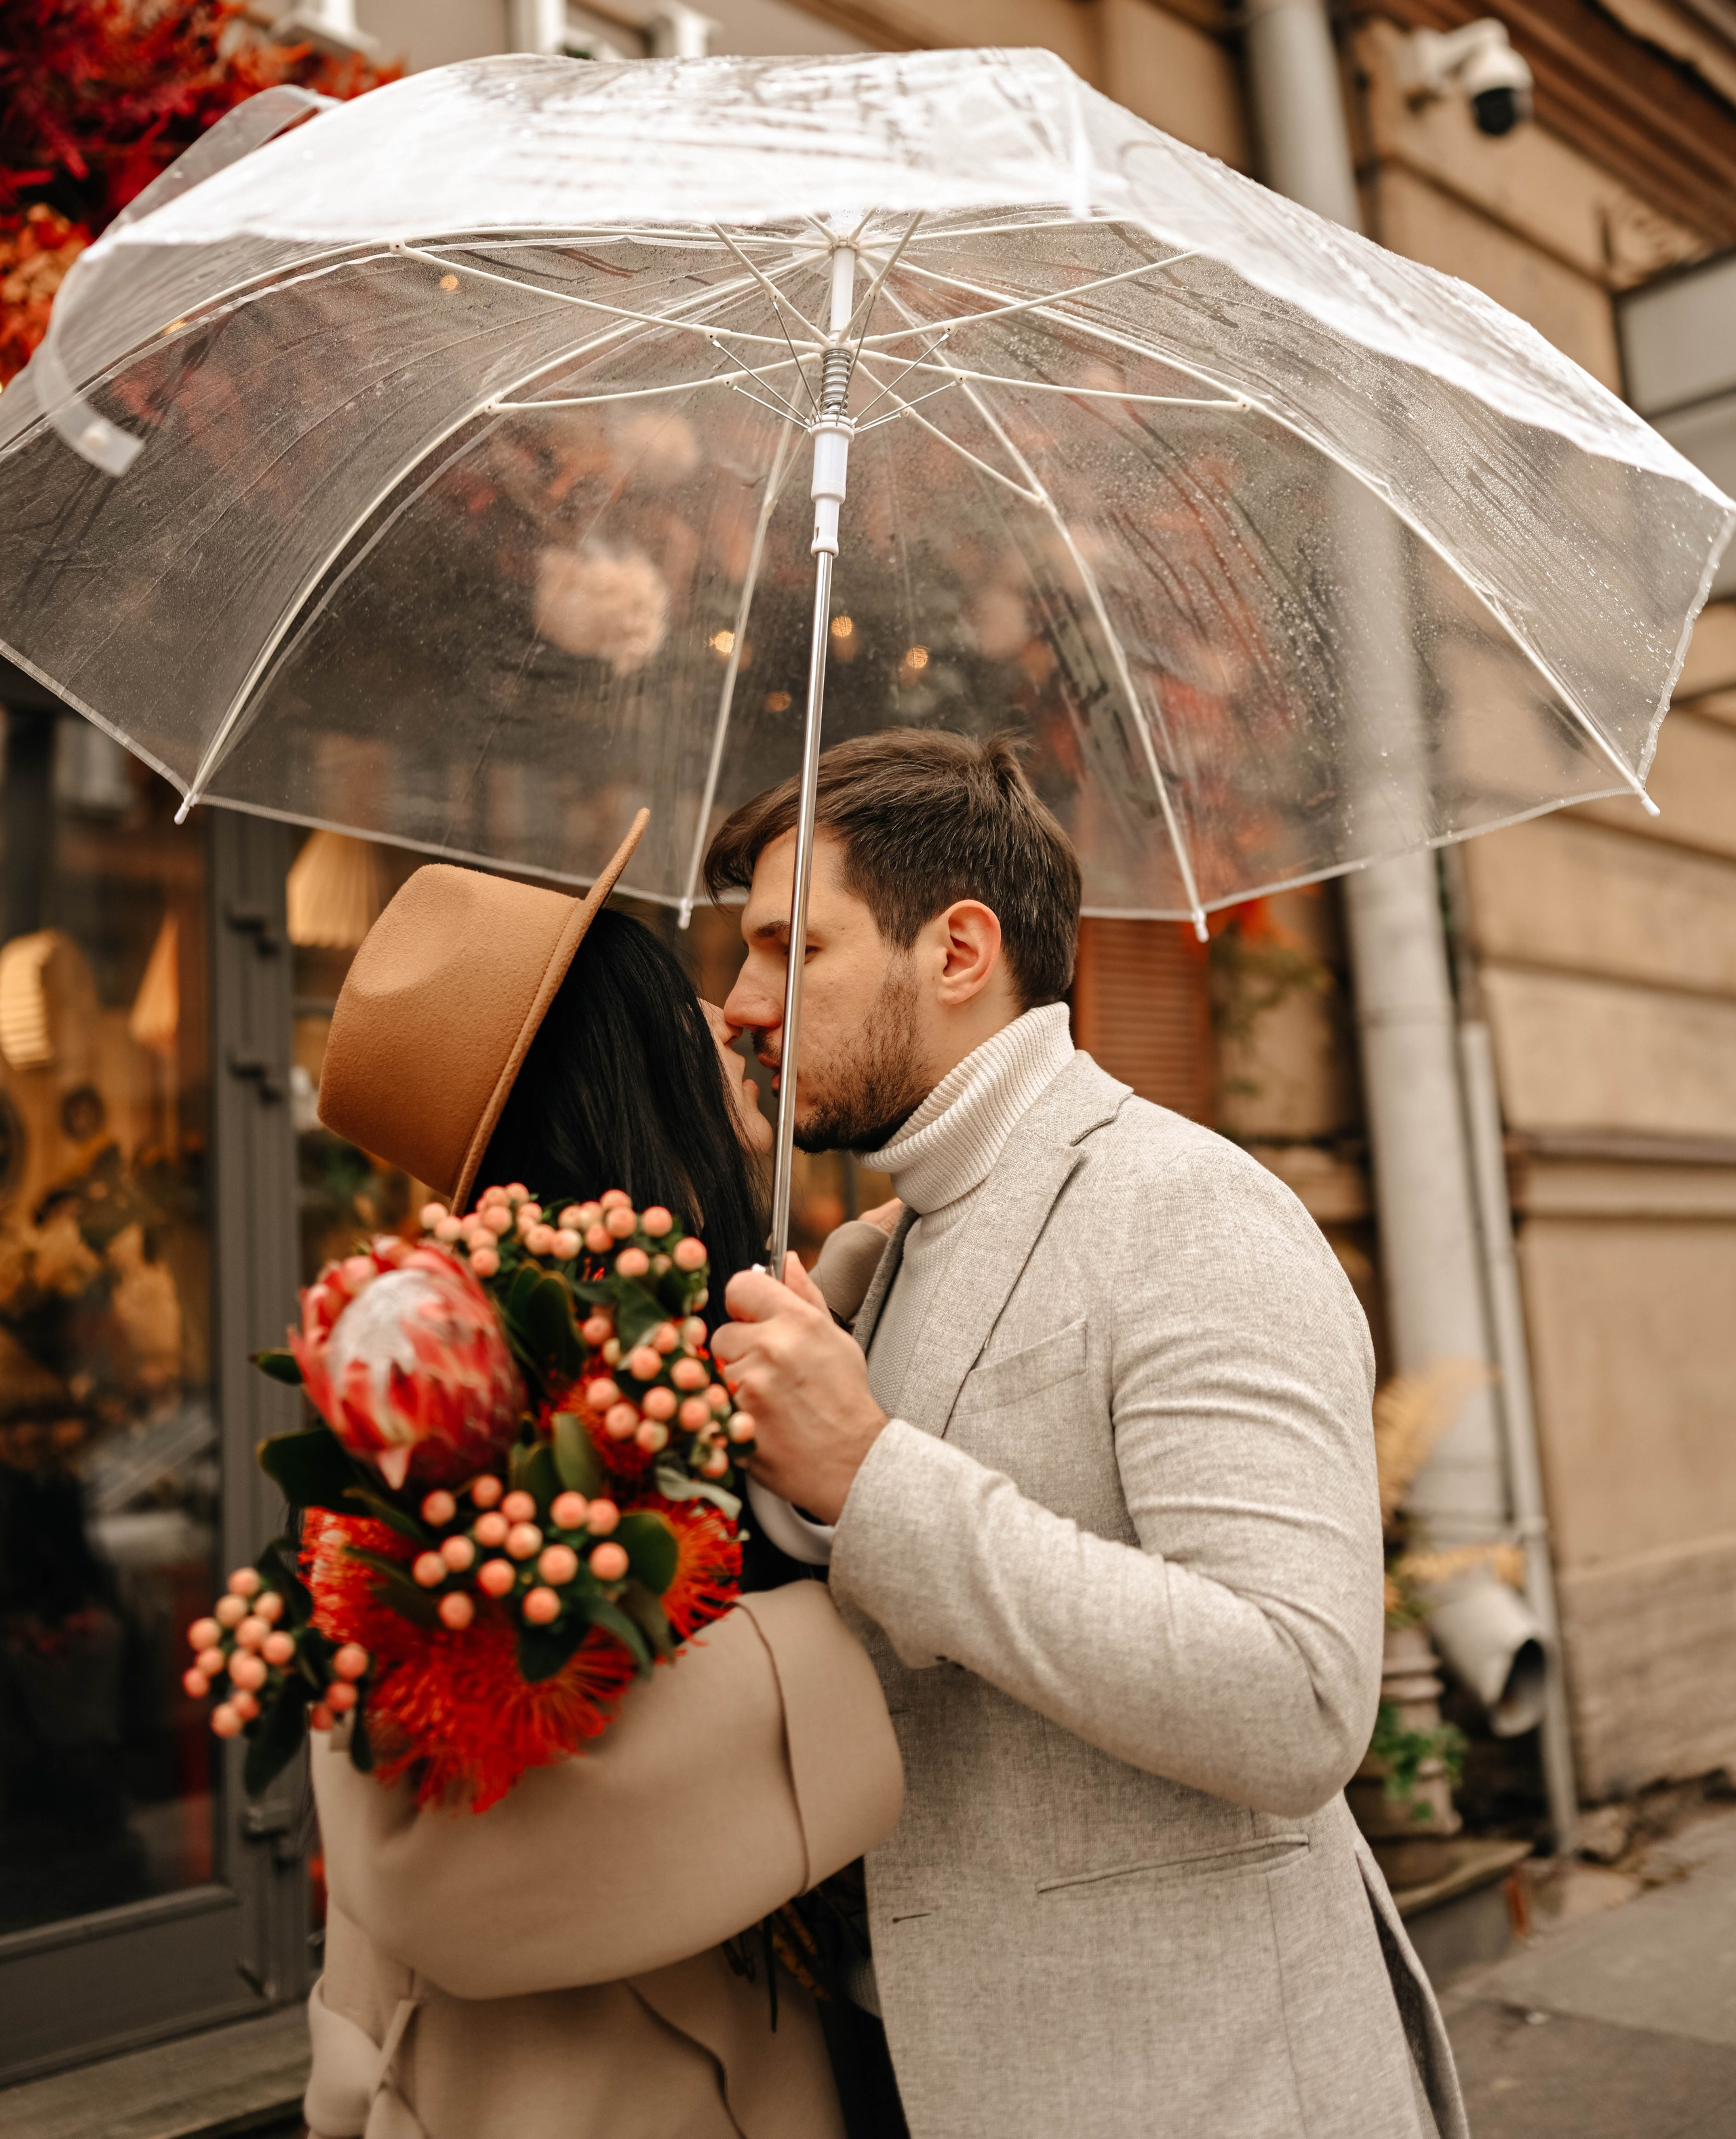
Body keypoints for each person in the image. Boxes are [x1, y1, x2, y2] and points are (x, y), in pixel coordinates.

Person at [707, 732, 1469, 2139]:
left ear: (956, 951)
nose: (742, 1002)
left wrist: (873, 1478)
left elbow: (1296, 1694)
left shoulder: (1184, 1210)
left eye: (784, 949)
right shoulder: (894, 1250)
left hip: (1202, 2089)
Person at [300, 812, 905, 2139]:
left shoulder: (640, 1339)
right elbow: (463, 1841)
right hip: (581, 2083)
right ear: (619, 1067)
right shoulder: (476, 1402)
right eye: (680, 990)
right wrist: (910, 1609)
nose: (733, 1014)